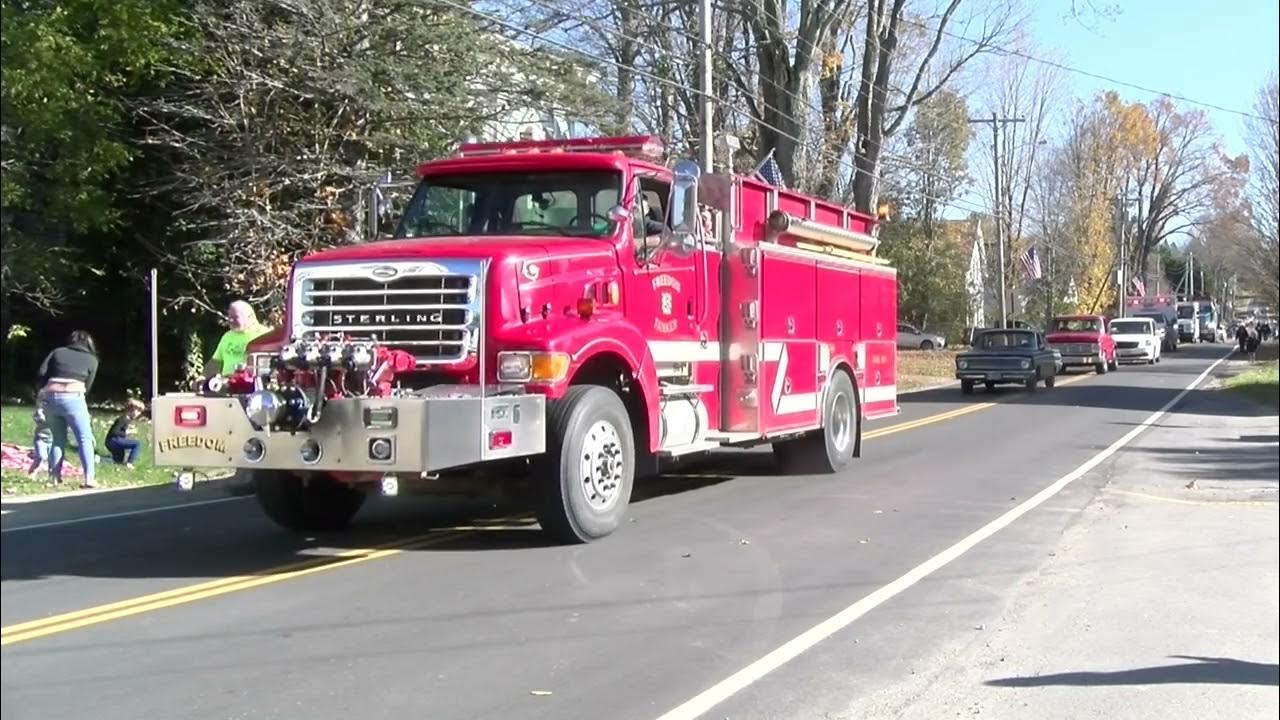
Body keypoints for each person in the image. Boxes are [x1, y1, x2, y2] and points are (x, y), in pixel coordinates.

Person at [37, 330, 99, 488]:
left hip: (50, 396)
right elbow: (88, 385)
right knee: (84, 438)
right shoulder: (92, 360)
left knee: (57, 439)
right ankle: (89, 479)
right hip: (73, 397)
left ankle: (54, 477)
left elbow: (42, 372)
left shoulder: (57, 352)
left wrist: (43, 389)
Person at [204, 300, 271, 379]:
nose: (231, 320)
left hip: (252, 383)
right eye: (229, 317)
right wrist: (202, 377)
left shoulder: (265, 335)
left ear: (250, 317)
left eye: (235, 317)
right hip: (227, 383)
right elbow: (216, 362)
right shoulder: (227, 336)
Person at [105, 398, 146, 469]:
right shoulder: (123, 419)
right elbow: (114, 432)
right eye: (138, 411)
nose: (139, 414)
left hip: (112, 441)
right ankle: (129, 463)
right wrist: (128, 432)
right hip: (113, 440)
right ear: (131, 409)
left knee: (118, 460)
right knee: (136, 444)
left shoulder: (126, 419)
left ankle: (101, 459)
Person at [26, 398, 53, 479]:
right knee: (41, 457)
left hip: (52, 440)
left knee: (52, 459)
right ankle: (32, 473)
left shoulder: (57, 413)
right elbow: (38, 418)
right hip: (41, 439)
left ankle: (52, 476)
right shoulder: (40, 412)